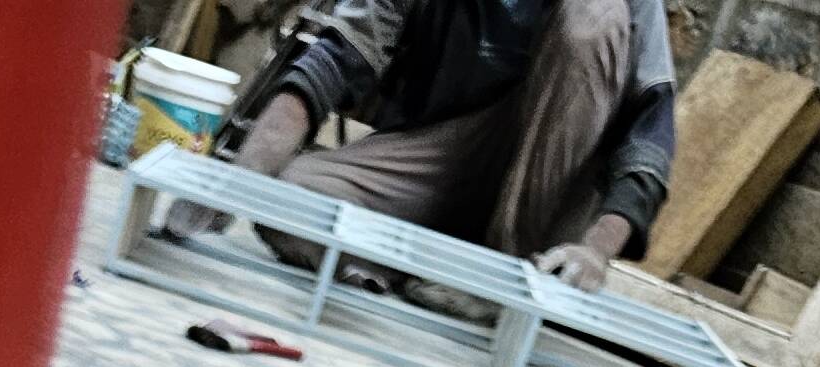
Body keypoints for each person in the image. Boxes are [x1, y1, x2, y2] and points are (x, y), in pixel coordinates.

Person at [230, 0, 677, 287]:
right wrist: (240, 182)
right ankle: (433, 273)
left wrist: (596, 250)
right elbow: (335, 59)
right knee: (295, 199)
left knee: (594, 15)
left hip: (551, 189)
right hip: (441, 157)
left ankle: (510, 275)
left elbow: (649, 130)